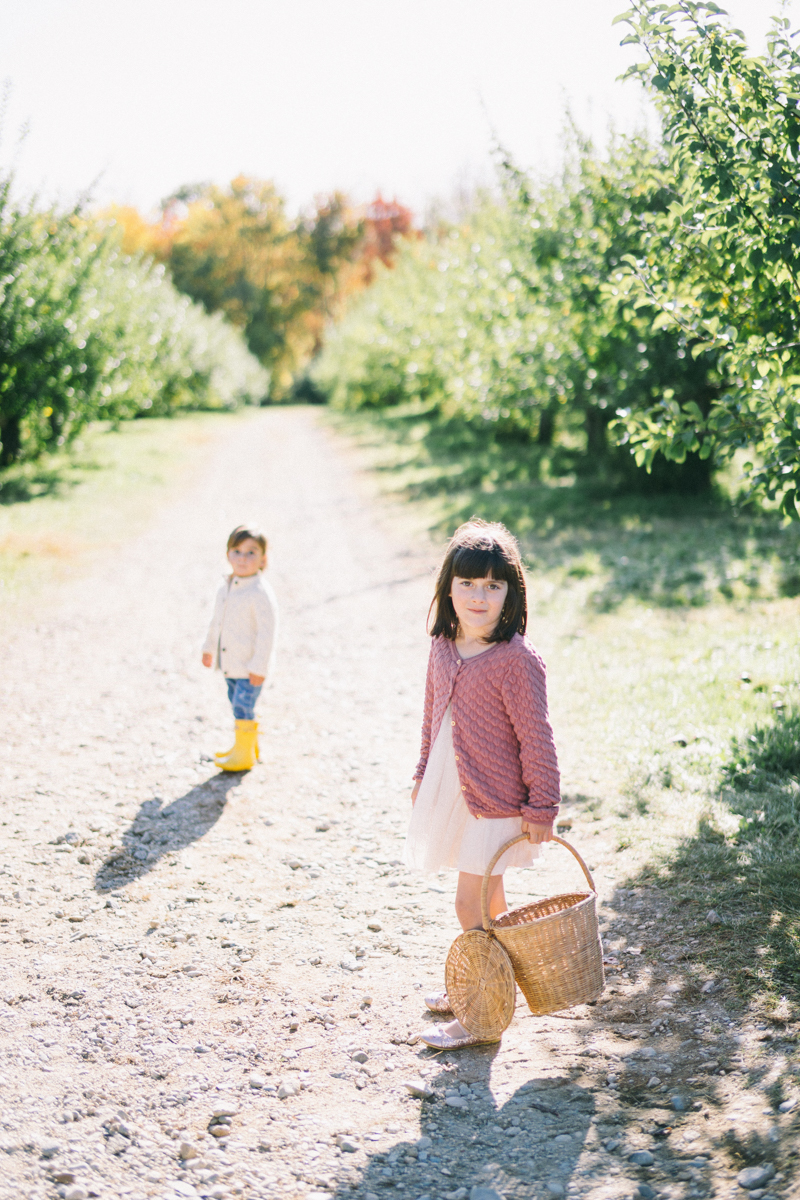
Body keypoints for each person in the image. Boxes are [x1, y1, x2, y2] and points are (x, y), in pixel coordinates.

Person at [405, 518, 560, 1049]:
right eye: (468, 584)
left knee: (469, 907)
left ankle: (482, 1010)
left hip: (496, 804)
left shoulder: (517, 661)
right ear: (448, 588)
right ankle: (483, 978)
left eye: (492, 586)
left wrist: (543, 806)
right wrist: (423, 773)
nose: (478, 596)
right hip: (455, 792)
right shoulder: (444, 646)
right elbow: (432, 718)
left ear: (510, 593)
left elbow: (537, 740)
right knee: (492, 903)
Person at [202, 525, 278, 772]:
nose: (242, 558)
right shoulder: (226, 587)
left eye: (251, 553)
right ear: (228, 555)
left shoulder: (259, 593)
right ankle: (246, 747)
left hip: (249, 666)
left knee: (242, 706)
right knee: (235, 702)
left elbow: (267, 635)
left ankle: (243, 755)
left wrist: (259, 667)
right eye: (237, 551)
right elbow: (217, 623)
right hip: (230, 664)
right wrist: (208, 648)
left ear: (263, 560)